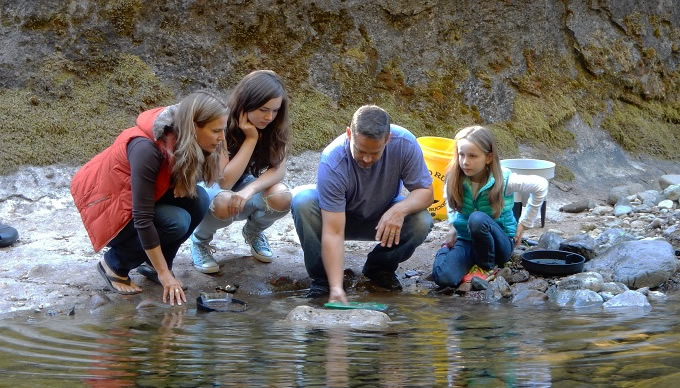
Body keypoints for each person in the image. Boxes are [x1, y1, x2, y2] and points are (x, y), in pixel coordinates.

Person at [71, 91, 228, 305]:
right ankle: (114, 264)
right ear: (193, 127)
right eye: (216, 131)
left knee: (199, 199)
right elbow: (142, 217)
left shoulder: (183, 138)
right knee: (177, 221)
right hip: (107, 212)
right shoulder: (146, 148)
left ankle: (153, 265)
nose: (222, 138)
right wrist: (166, 276)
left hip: (134, 204)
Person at [291, 105, 434, 302]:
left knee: (422, 220)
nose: (367, 159)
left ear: (388, 139)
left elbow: (426, 193)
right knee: (303, 202)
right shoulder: (333, 159)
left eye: (375, 153)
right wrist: (335, 287)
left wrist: (399, 211)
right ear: (349, 133)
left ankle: (379, 268)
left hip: (381, 218)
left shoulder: (405, 143)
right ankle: (323, 281)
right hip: (337, 218)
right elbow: (333, 232)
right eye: (360, 151)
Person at [190, 70, 291, 273]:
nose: (269, 116)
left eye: (275, 110)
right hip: (207, 186)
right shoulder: (222, 123)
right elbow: (224, 181)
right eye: (263, 109)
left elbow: (279, 171)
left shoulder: (274, 126)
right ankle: (199, 241)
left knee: (281, 196)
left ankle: (253, 232)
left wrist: (250, 190)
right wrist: (251, 140)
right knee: (224, 201)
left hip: (242, 185)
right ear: (246, 103)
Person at [430, 125, 548, 288]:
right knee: (444, 278)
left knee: (477, 219)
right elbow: (449, 200)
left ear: (489, 157)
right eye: (461, 155)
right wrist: (452, 227)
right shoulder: (455, 178)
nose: (465, 161)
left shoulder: (504, 179)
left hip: (499, 244)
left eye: (472, 156)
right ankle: (448, 252)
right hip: (467, 240)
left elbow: (540, 185)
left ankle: (486, 267)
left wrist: (523, 225)